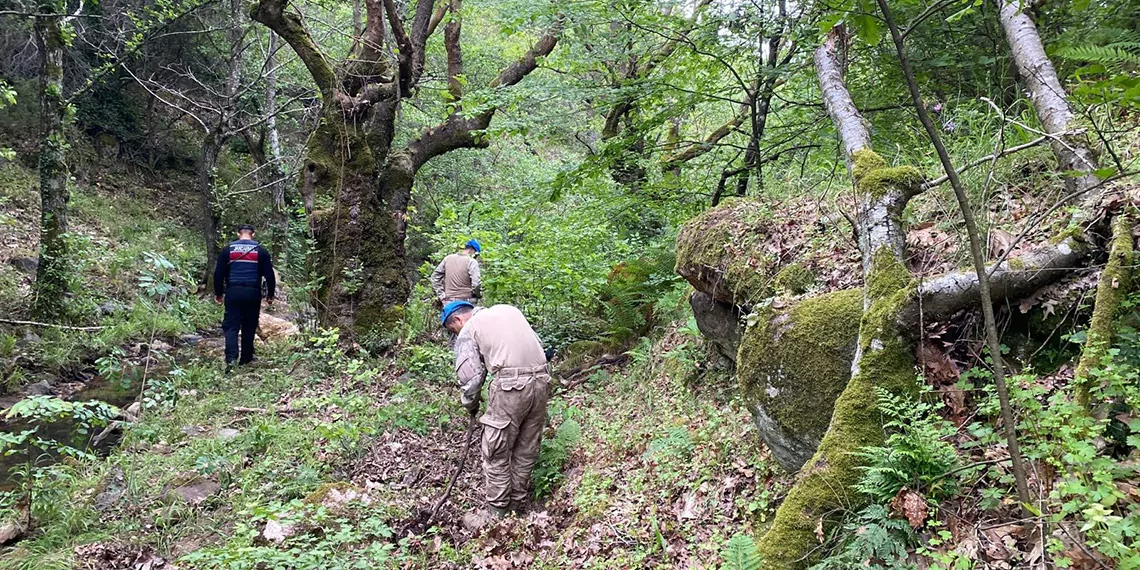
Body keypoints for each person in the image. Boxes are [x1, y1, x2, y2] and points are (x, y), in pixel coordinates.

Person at [442, 300, 549, 520]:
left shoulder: (470, 328)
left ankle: (497, 515)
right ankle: (516, 508)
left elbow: (470, 378)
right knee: (526, 448)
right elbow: (539, 346)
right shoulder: (510, 310)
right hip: (542, 380)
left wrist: (470, 404)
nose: (456, 333)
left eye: (453, 329)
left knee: (496, 451)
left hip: (510, 386)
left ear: (458, 319)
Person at [213, 224, 276, 370]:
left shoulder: (228, 249)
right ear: (253, 234)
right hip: (252, 292)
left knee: (231, 326)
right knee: (249, 325)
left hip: (233, 291)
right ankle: (246, 358)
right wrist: (270, 295)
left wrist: (218, 293)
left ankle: (231, 360)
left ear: (238, 234)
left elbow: (218, 273)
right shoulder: (260, 250)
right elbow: (269, 274)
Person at [430, 239, 482, 307]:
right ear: (472, 250)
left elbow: (434, 277)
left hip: (448, 301)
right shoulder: (472, 262)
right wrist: (478, 295)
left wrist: (441, 294)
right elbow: (476, 284)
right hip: (466, 301)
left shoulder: (448, 258)